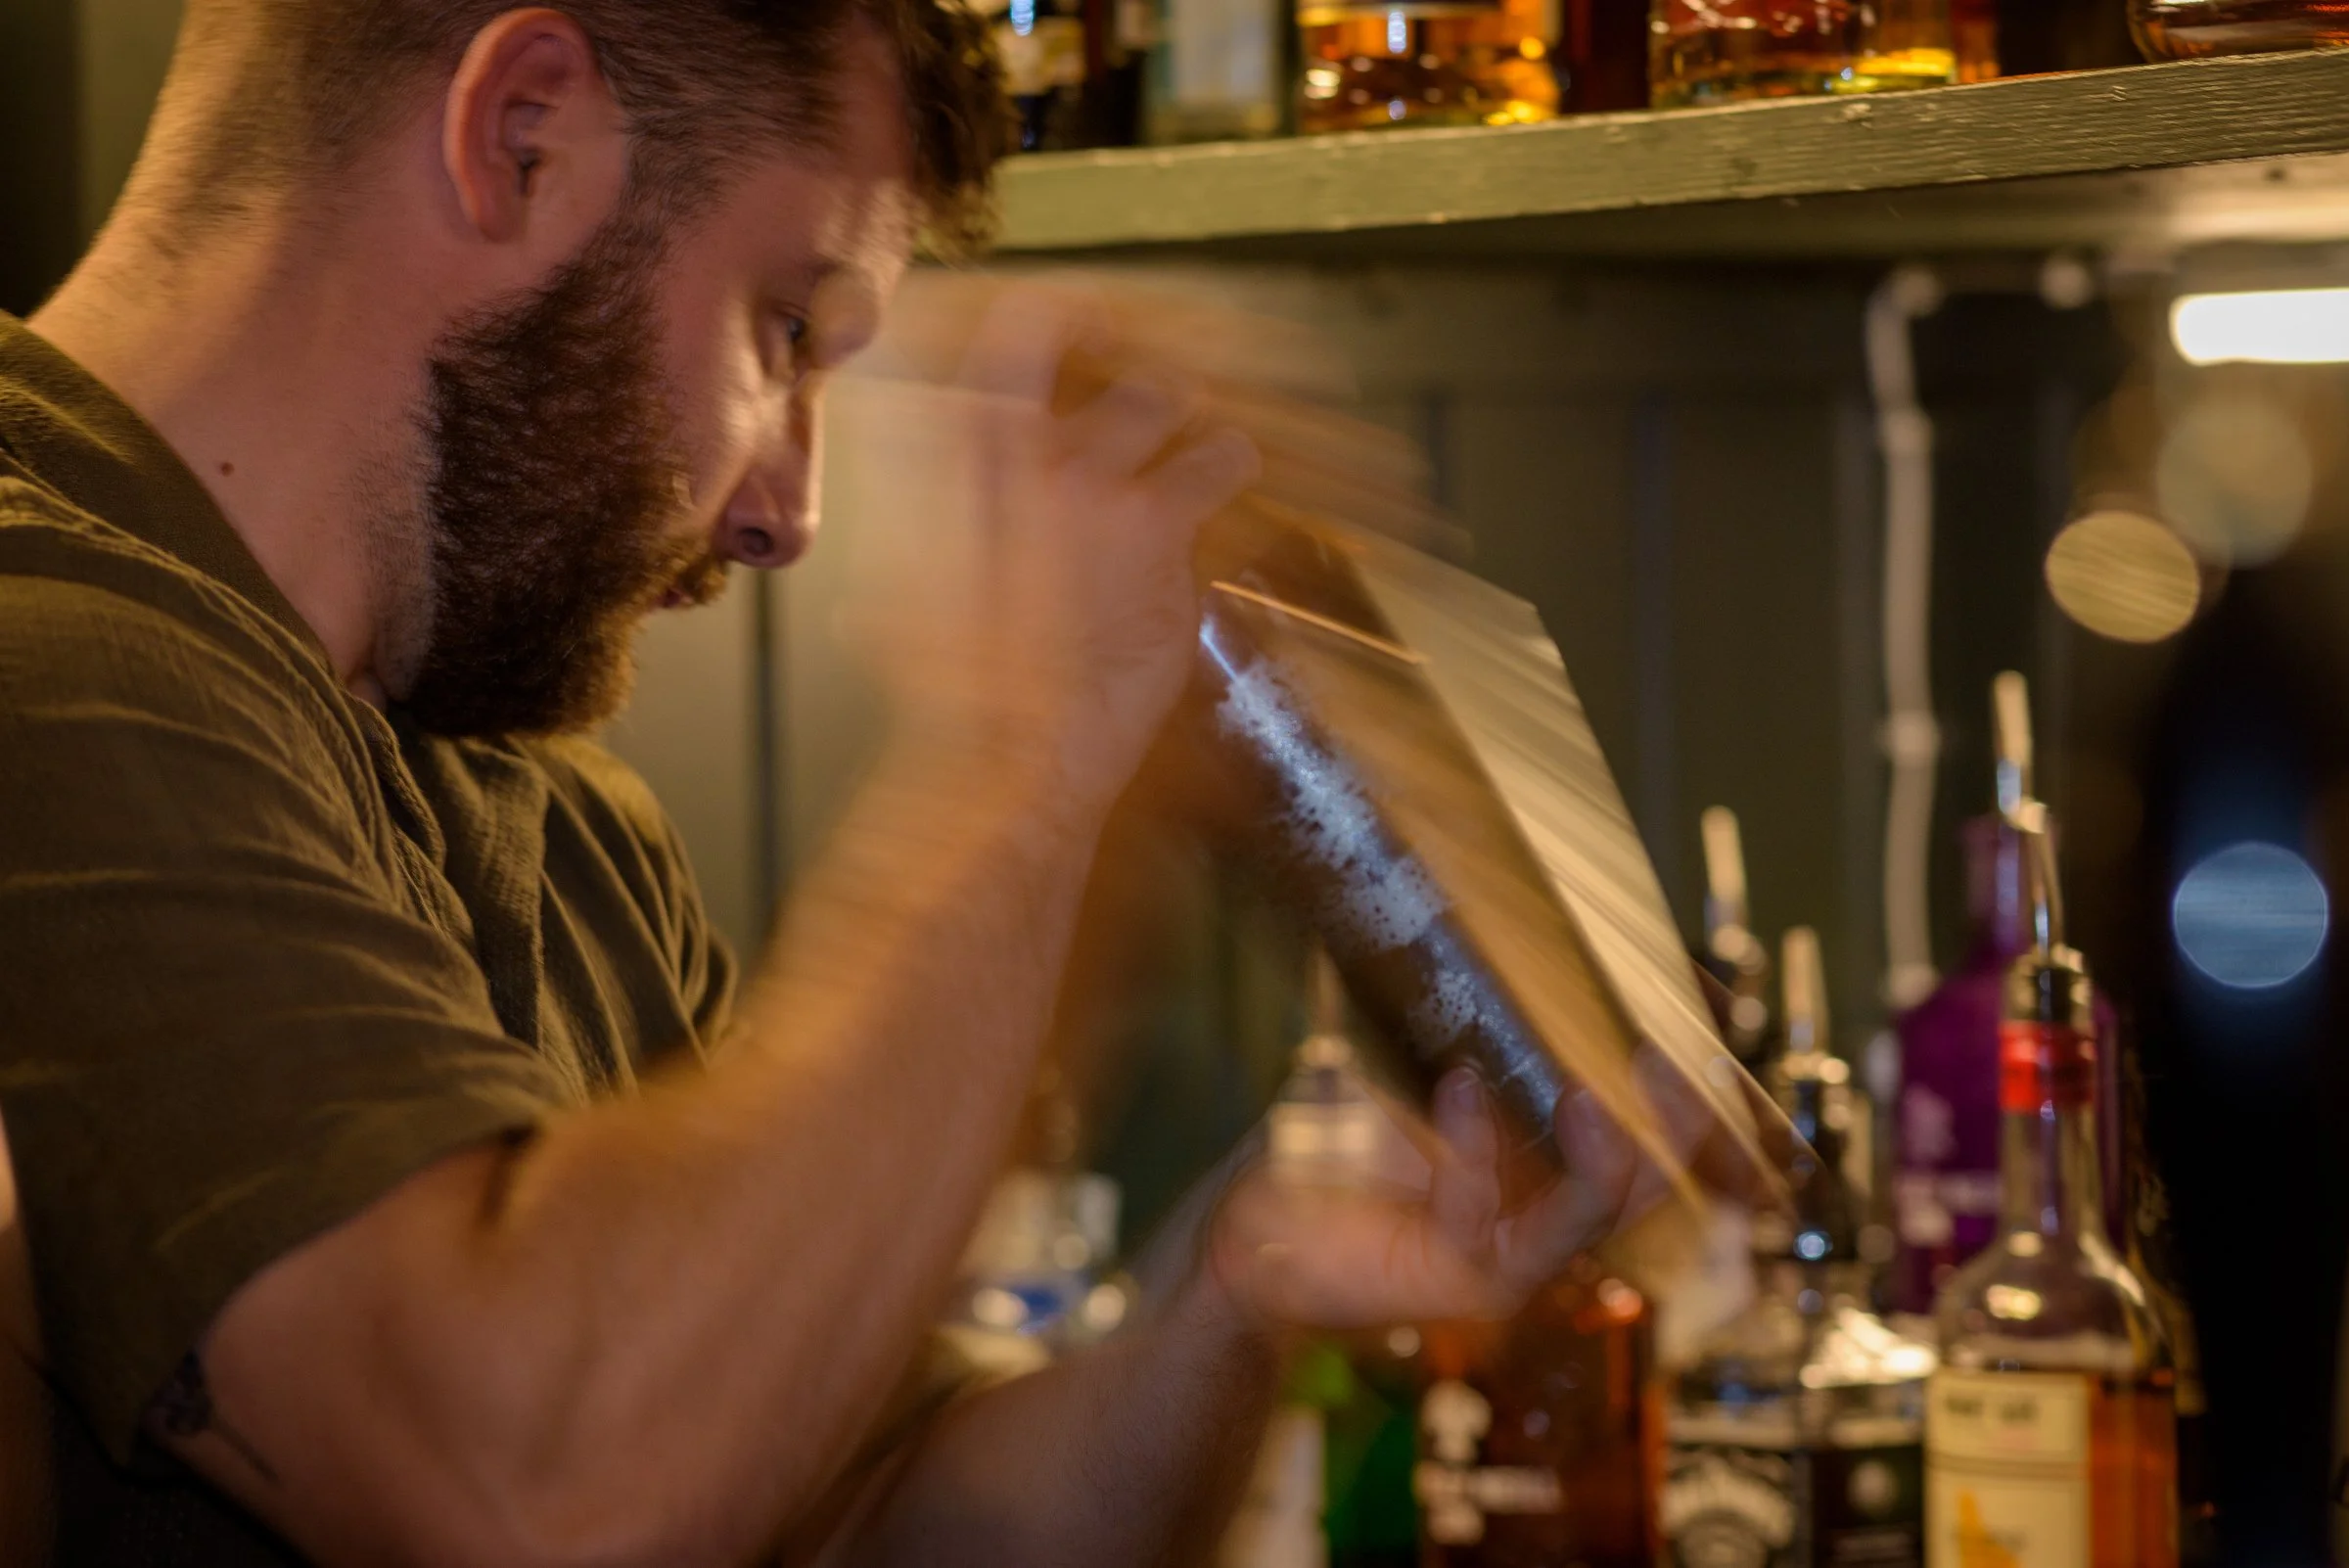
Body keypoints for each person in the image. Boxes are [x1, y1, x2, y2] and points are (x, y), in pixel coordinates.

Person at [0, 2, 1663, 1563]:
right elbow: (531, 1483)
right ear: (522, 136)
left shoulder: (530, 804)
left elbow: (877, 1513)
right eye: (783, 325)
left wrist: (1245, 1292)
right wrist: (1023, 760)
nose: (785, 512)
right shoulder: (46, 653)